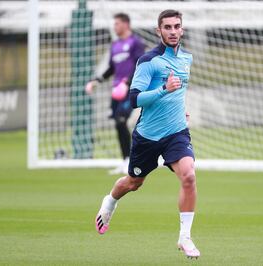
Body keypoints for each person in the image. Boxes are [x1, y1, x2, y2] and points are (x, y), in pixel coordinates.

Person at [94, 9, 200, 259]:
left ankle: (185, 237)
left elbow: (179, 92)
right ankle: (109, 201)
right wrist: (164, 89)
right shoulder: (148, 61)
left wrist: (182, 110)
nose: (173, 31)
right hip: (148, 137)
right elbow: (134, 100)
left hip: (176, 133)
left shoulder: (187, 59)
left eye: (177, 26)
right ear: (158, 31)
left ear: (182, 29)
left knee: (189, 177)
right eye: (168, 27)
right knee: (133, 183)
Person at [86, 13, 145, 174]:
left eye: (117, 23)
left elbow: (140, 65)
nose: (115, 27)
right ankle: (126, 160)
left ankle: (133, 160)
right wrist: (96, 80)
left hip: (131, 89)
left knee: (121, 120)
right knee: (118, 124)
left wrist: (127, 83)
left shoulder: (136, 43)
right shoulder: (115, 45)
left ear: (126, 24)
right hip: (116, 90)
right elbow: (111, 68)